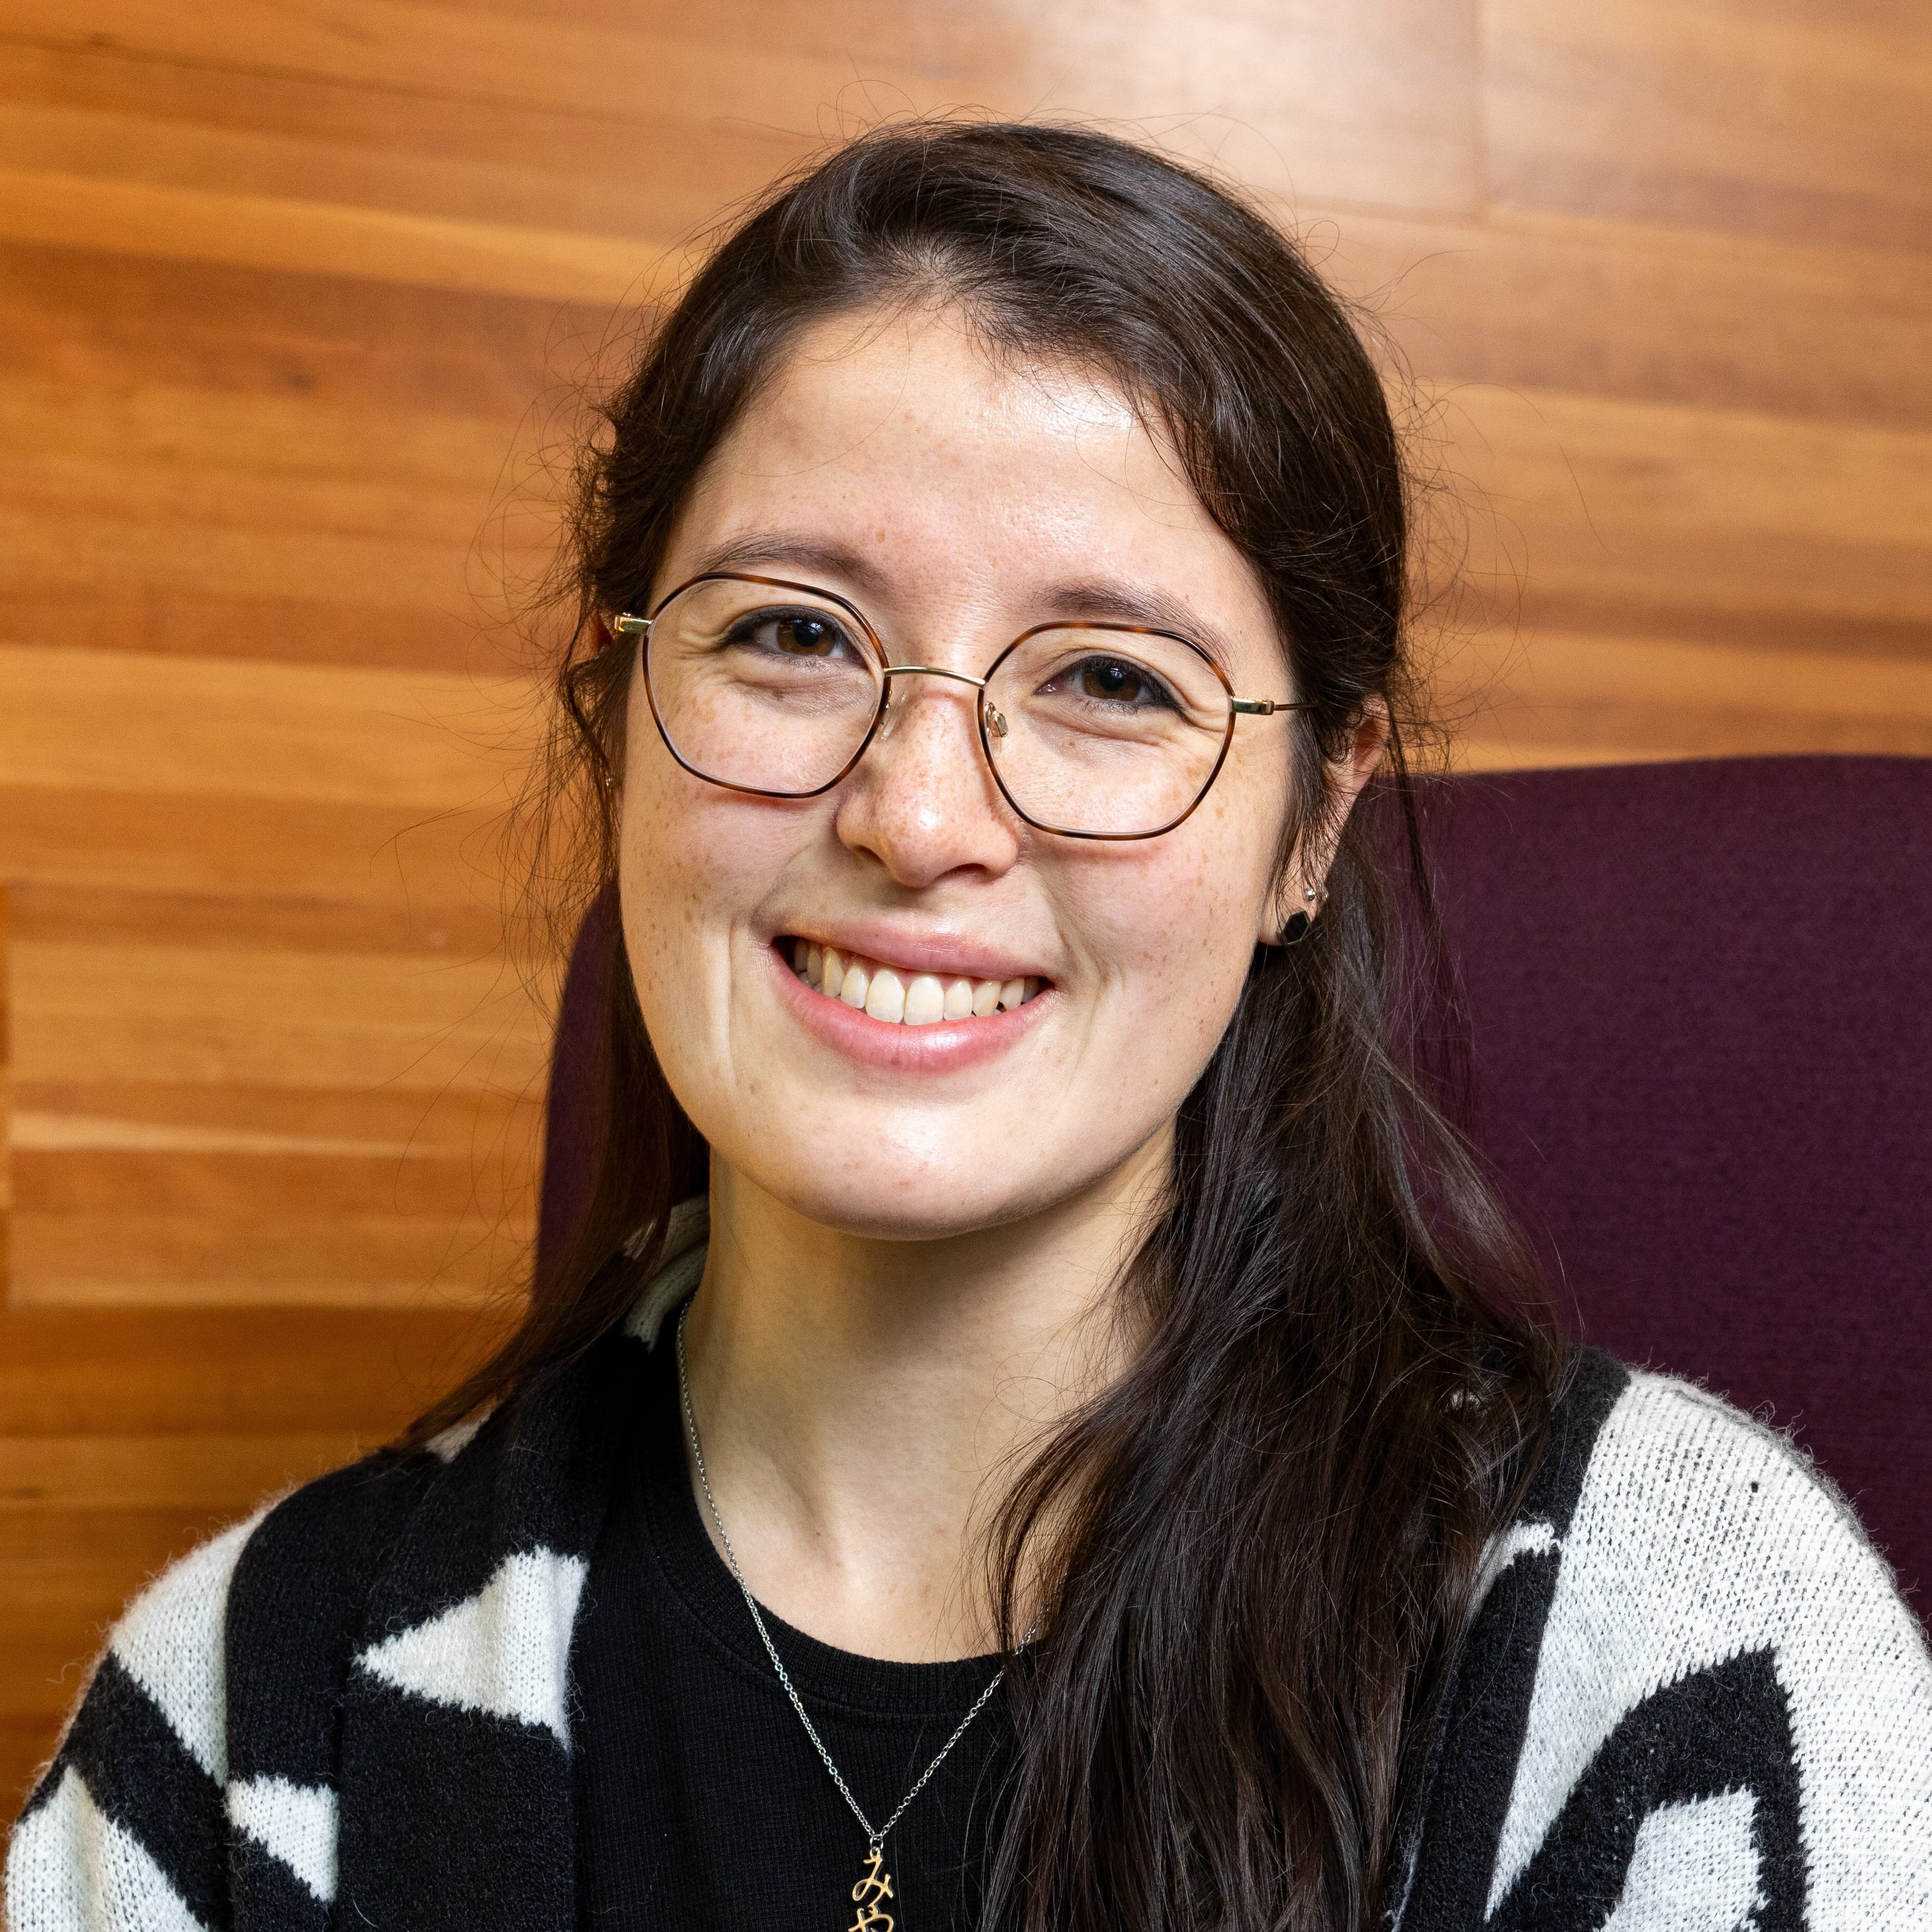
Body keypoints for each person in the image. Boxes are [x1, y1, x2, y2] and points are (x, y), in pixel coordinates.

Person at [8, 122, 1929, 1932]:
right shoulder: (255, 1720)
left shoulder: (1672, 1655)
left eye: (1109, 677)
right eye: (790, 634)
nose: (919, 817)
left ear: (1312, 822)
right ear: (617, 712)